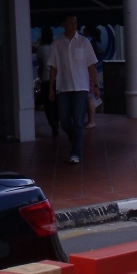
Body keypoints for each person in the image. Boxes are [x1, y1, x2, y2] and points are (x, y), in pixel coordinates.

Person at [49, 14, 98, 165]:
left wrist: (96, 86)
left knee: (78, 119)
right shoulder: (57, 44)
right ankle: (75, 136)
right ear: (63, 24)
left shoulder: (84, 42)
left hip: (80, 86)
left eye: (75, 23)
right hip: (63, 86)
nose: (73, 25)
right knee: (64, 119)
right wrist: (51, 88)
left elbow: (91, 65)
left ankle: (76, 152)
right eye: (70, 23)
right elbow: (53, 67)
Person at [36, 27, 58, 137]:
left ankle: (53, 125)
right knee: (56, 104)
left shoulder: (40, 49)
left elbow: (40, 66)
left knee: (48, 105)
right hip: (57, 80)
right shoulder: (55, 47)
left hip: (45, 80)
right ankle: (57, 123)